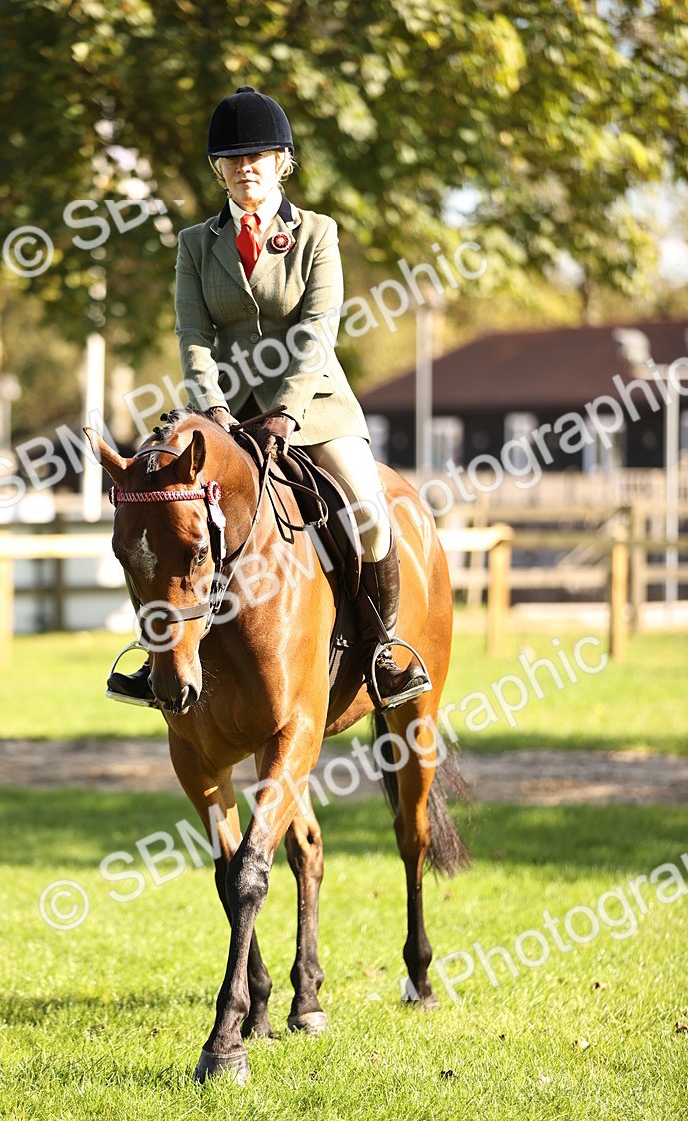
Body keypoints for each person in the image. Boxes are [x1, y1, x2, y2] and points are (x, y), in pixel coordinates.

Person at [107, 85, 431, 711]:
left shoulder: (318, 233)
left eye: (256, 156)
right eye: (232, 159)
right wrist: (215, 411)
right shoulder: (196, 244)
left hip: (315, 409)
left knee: (367, 510)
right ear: (218, 170)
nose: (244, 168)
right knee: (159, 517)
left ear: (281, 161)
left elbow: (317, 330)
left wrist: (286, 410)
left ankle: (382, 650)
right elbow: (193, 336)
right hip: (225, 417)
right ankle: (160, 658)